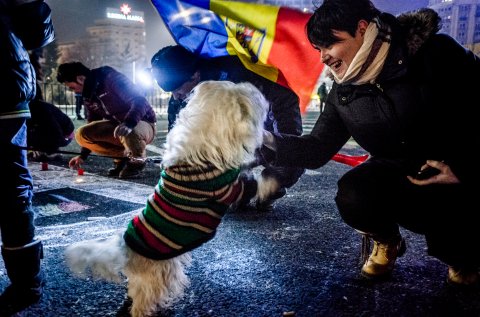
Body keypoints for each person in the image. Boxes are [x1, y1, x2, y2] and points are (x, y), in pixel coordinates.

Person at [262, 0, 480, 285]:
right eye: (319, 49)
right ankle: (387, 241)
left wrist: (464, 169)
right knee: (353, 194)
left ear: (361, 29)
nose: (324, 57)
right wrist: (263, 141)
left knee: (458, 255)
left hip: (452, 176)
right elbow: (317, 148)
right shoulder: (343, 92)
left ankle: (462, 255)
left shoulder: (434, 54)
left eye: (330, 44)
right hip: (397, 171)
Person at [150, 45, 305, 212]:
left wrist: (270, 167)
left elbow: (288, 131)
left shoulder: (241, 75)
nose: (176, 96)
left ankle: (270, 187)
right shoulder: (184, 92)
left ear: (195, 75)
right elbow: (177, 137)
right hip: (235, 138)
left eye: (178, 90)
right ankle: (242, 187)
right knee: (228, 197)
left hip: (266, 124)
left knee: (293, 157)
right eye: (171, 92)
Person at [0, 0, 54, 314]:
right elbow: (37, 33)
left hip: (6, 91)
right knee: (11, 189)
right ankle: (27, 283)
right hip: (8, 87)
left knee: (11, 189)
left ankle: (26, 283)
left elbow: (37, 30)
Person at [56, 62, 157, 179]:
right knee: (82, 134)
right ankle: (123, 158)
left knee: (130, 131)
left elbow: (139, 100)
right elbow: (93, 121)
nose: (74, 91)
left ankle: (137, 161)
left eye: (72, 87)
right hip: (119, 126)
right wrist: (82, 156)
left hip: (142, 122)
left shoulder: (110, 78)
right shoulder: (89, 95)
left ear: (80, 79)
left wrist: (129, 123)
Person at [26, 50, 75, 162]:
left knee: (41, 123)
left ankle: (50, 151)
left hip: (64, 134)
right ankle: (42, 149)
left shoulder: (37, 105)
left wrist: (50, 150)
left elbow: (53, 129)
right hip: (47, 124)